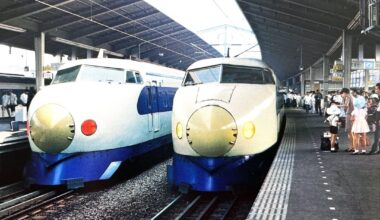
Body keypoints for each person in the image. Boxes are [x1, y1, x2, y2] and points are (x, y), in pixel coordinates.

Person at [369, 83, 380, 154]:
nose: (375, 89)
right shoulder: (378, 96)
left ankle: (374, 149)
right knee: (377, 133)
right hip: (378, 114)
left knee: (377, 133)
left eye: (376, 88)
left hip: (379, 115)